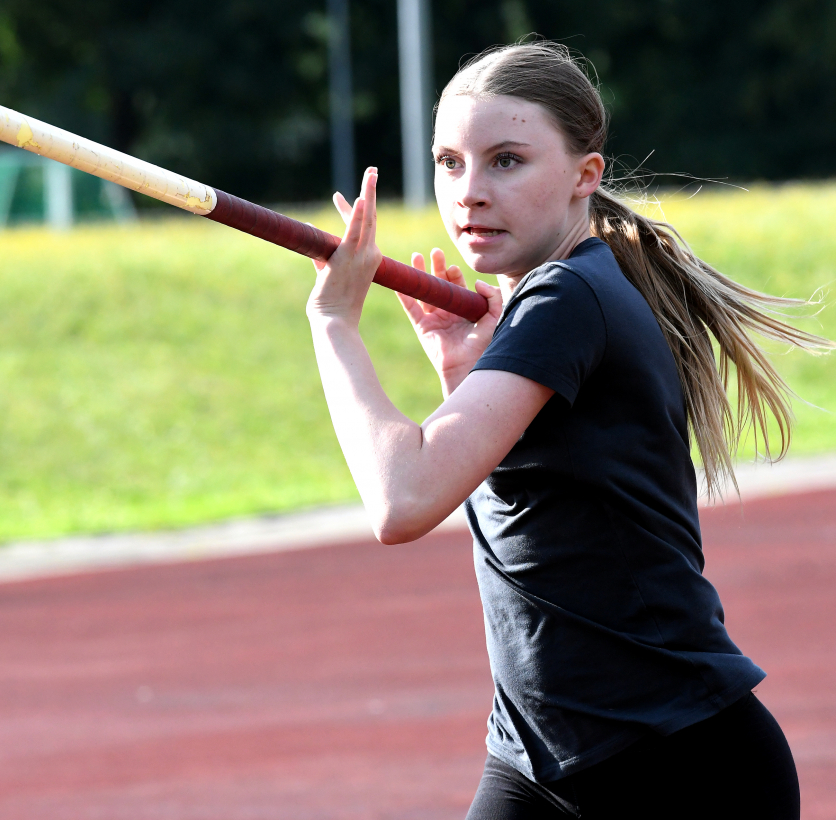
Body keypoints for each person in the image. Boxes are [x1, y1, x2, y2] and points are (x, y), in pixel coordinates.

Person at [305, 41, 828, 819]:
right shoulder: (555, 300)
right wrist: (462, 376)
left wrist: (333, 324)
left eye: (506, 161)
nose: (469, 193)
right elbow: (537, 505)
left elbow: (402, 499)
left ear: (587, 175)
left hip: (678, 762)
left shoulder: (566, 299)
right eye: (449, 163)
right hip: (542, 757)